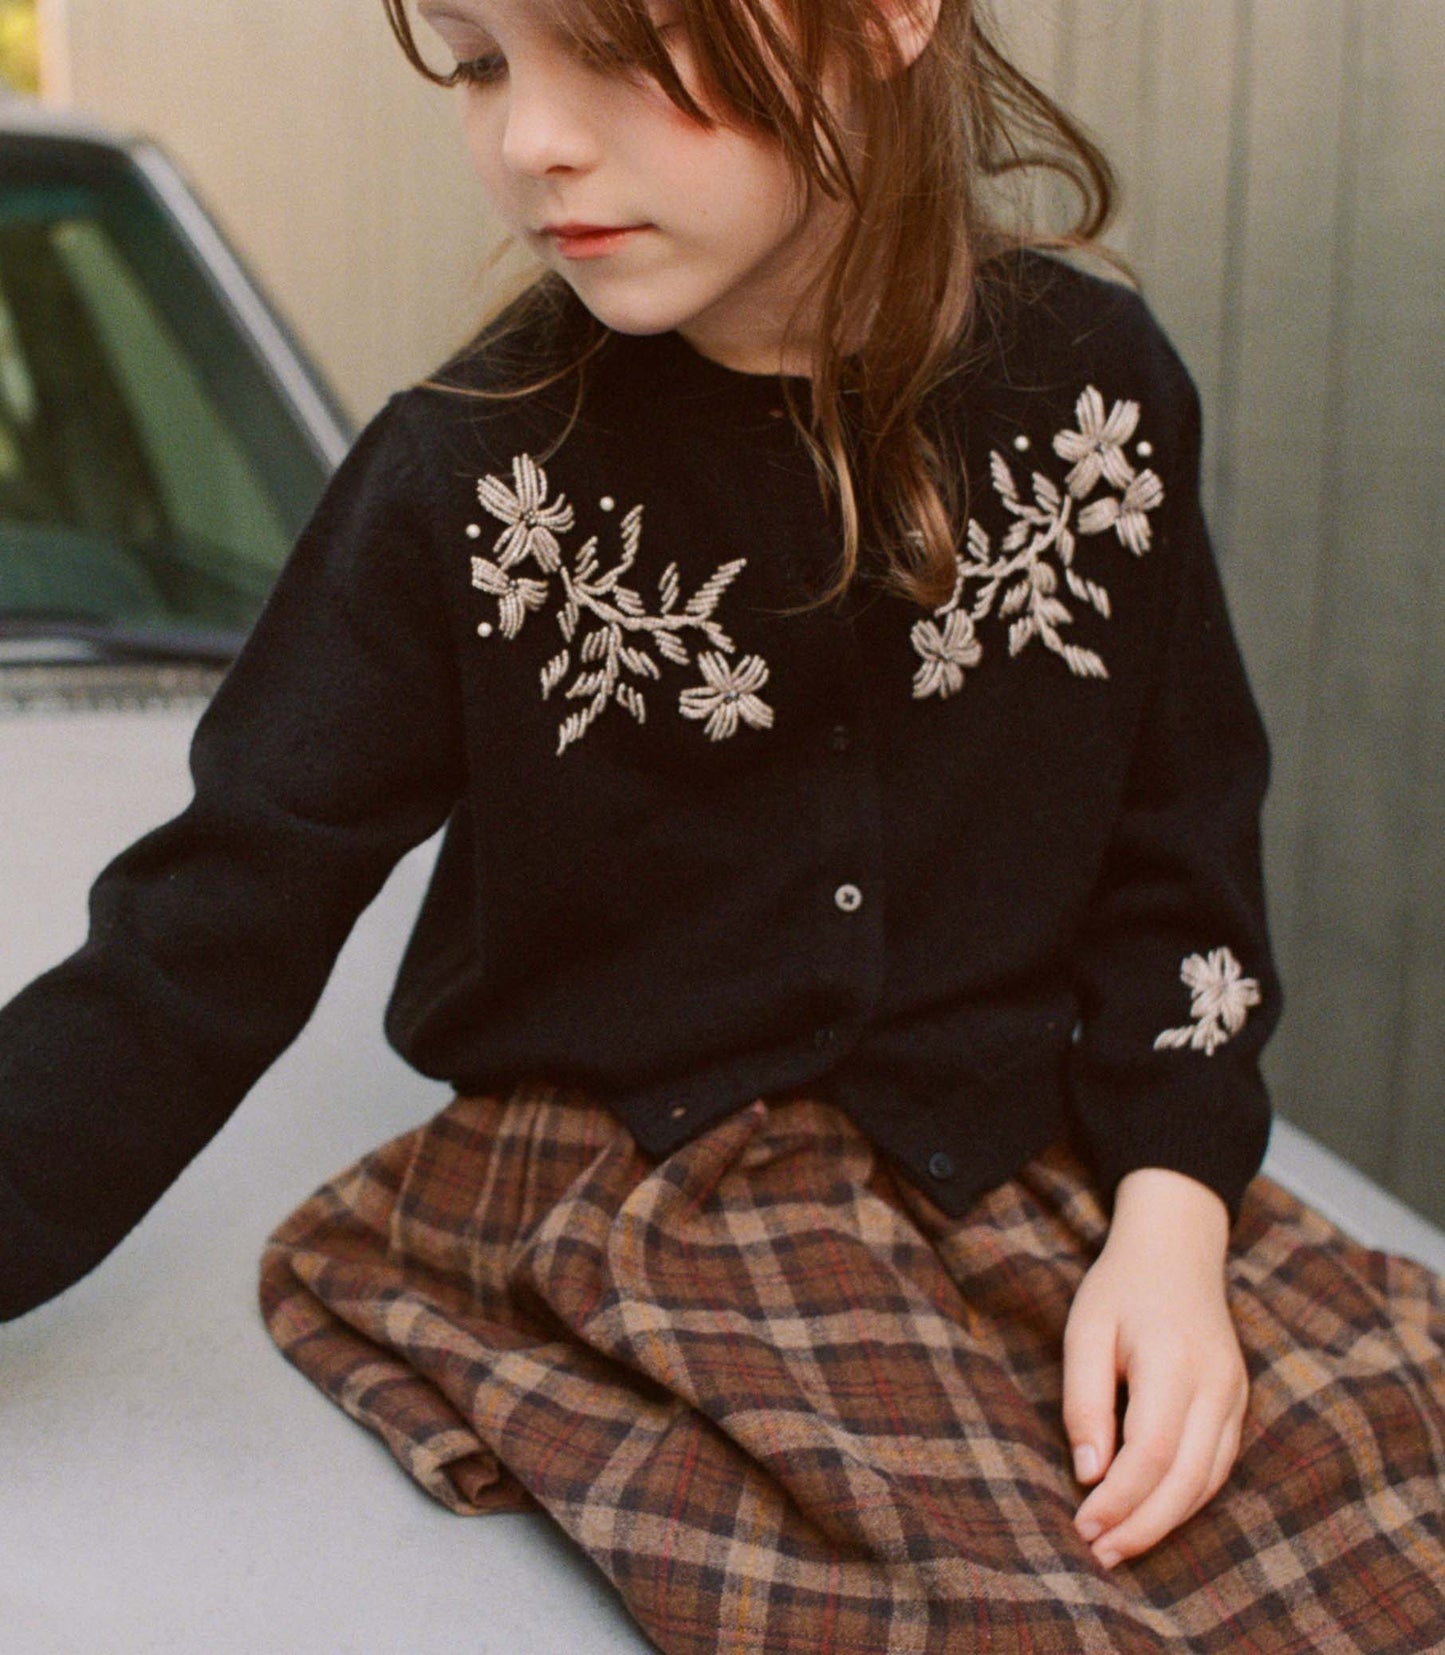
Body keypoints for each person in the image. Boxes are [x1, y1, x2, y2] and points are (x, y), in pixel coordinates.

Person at [2, 0, 1443, 1647]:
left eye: (621, 48)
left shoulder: (1094, 388)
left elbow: (1177, 843)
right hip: (651, 1200)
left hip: (1042, 1176)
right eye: (478, 63)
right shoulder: (474, 480)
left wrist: (1175, 1225)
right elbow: (203, 940)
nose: (528, 139)